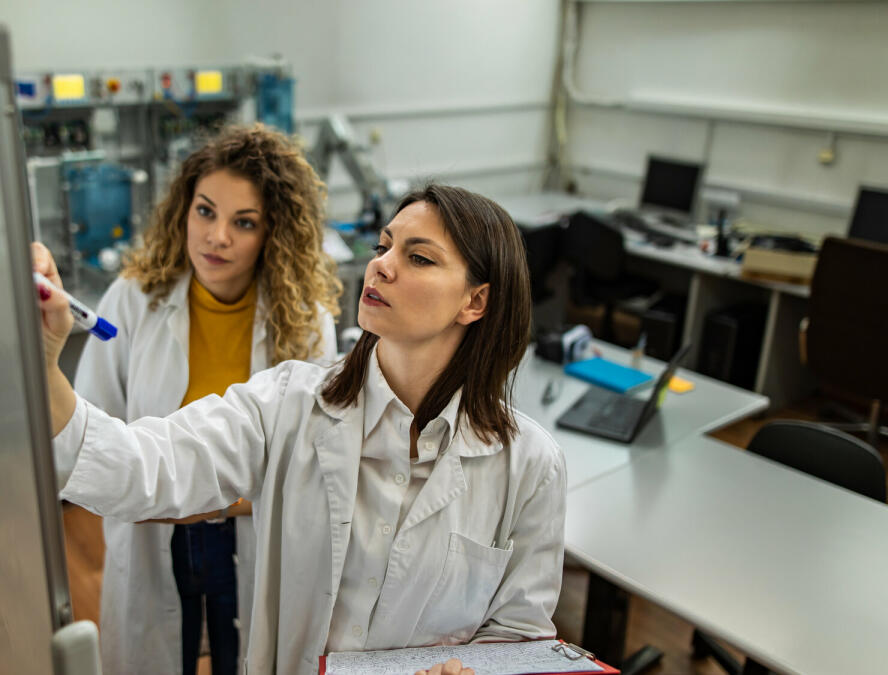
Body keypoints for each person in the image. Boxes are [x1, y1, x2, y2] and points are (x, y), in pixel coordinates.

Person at [36, 183, 566, 675]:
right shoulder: (286, 404)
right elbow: (141, 468)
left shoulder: (531, 465)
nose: (381, 266)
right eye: (385, 246)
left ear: (475, 301)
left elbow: (521, 632)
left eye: (418, 257)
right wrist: (42, 364)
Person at [45, 124, 341, 675]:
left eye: (244, 222)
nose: (217, 236)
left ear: (274, 233)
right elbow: (91, 433)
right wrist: (156, 495)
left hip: (248, 533)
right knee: (156, 654)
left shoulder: (305, 325)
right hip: (154, 535)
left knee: (247, 656)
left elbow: (313, 467)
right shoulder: (134, 301)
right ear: (184, 209)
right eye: (205, 211)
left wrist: (200, 499)